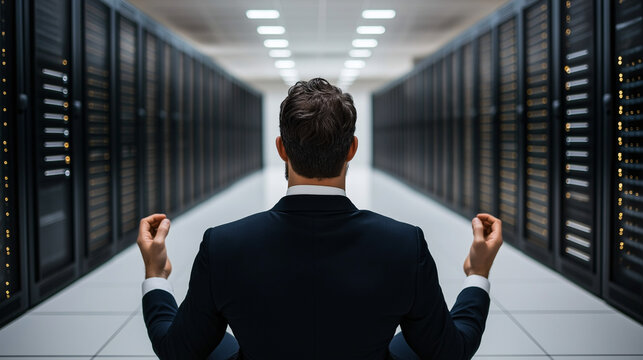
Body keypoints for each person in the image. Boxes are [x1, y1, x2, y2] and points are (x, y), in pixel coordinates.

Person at [137, 78, 503, 360]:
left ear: (281, 148)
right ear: (352, 149)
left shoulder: (224, 244)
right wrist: (478, 275)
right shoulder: (404, 243)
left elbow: (176, 351)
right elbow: (450, 352)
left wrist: (155, 276)